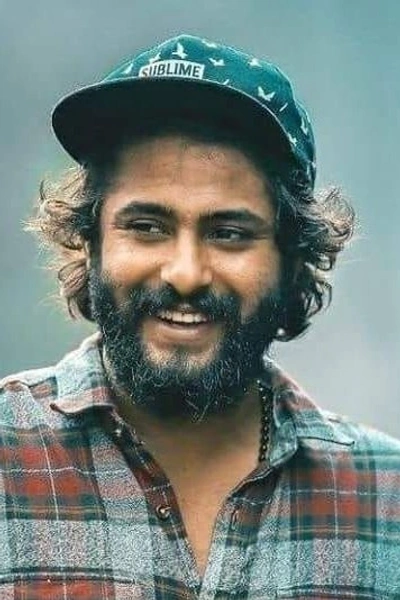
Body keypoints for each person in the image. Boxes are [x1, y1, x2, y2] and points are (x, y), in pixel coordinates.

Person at [1, 33, 399, 599]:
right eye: (147, 227)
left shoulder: (384, 500)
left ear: (292, 259)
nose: (186, 274)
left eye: (228, 233)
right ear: (89, 243)